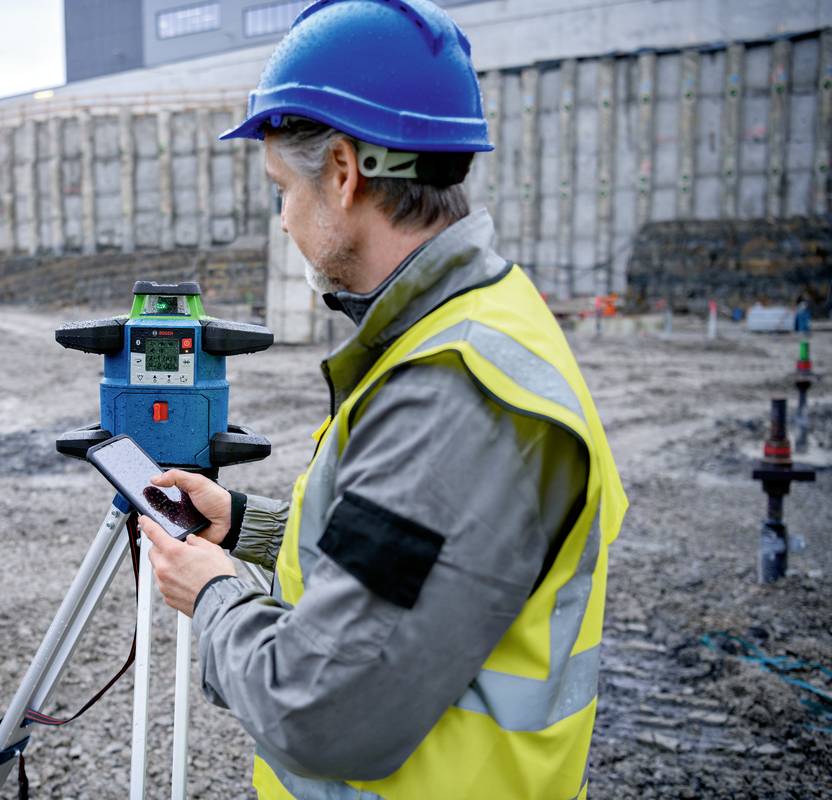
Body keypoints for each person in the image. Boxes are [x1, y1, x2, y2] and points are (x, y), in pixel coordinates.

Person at [138, 1, 627, 797]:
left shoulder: (453, 393)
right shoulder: (467, 324)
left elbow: (318, 711)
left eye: (280, 190)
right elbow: (421, 559)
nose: (284, 221)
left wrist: (214, 590)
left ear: (341, 169)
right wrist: (248, 528)